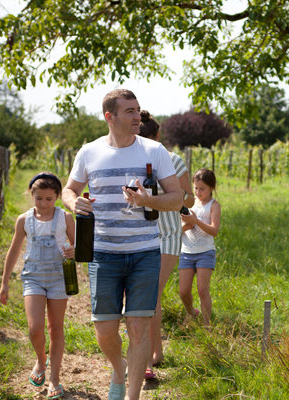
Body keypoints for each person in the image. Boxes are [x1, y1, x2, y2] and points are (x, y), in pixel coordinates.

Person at [61, 89, 183, 400]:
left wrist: (146, 199)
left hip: (145, 252)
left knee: (139, 328)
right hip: (103, 253)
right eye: (129, 111)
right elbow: (68, 189)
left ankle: (132, 396)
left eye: (138, 110)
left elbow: (177, 198)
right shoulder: (88, 152)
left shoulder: (155, 151)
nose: (137, 117)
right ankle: (119, 367)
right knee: (104, 329)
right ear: (109, 117)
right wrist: (75, 203)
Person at [0, 172, 75, 400]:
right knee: (35, 328)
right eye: (39, 198)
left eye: (49, 199)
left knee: (56, 328)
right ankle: (41, 360)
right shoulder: (24, 220)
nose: (43, 204)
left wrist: (75, 250)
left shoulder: (66, 218)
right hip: (33, 277)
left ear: (58, 197)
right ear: (32, 195)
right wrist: (4, 283)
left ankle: (54, 378)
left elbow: (80, 246)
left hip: (59, 277)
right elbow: (13, 251)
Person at [137, 110, 195, 380]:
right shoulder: (137, 160)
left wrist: (168, 196)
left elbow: (189, 200)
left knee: (152, 295)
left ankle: (148, 356)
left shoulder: (171, 161)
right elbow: (190, 200)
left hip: (167, 235)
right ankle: (154, 352)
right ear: (158, 135)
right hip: (143, 235)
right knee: (148, 296)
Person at [179, 168, 221, 327]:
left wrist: (196, 221)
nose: (198, 192)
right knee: (183, 291)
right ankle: (191, 312)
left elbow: (214, 230)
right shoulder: (189, 203)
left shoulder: (213, 205)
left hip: (205, 252)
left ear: (211, 188)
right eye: (195, 188)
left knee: (202, 290)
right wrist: (185, 227)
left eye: (202, 188)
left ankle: (207, 325)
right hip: (187, 252)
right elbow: (179, 228)